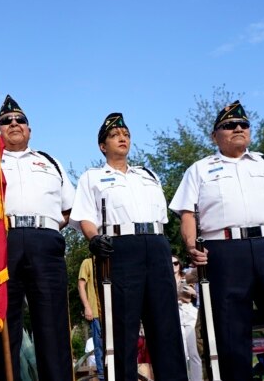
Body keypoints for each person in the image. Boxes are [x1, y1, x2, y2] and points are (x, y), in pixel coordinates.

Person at [169, 100, 264, 381]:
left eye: (243, 124)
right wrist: (191, 246)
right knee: (230, 333)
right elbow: (187, 213)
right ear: (215, 136)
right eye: (229, 125)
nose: (238, 128)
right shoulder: (199, 169)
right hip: (224, 251)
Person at [70, 112, 187, 381]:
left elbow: (162, 218)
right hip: (119, 249)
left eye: (125, 135)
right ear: (103, 146)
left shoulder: (148, 175)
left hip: (156, 246)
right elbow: (85, 216)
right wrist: (93, 238)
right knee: (122, 327)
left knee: (165, 326)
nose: (122, 138)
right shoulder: (93, 177)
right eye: (114, 135)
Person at [0, 95, 74, 381]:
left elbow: (68, 209)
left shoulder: (50, 162)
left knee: (52, 324)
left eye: (20, 120)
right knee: (2, 322)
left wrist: (44, 232)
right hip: (3, 243)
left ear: (29, 129)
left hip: (44, 242)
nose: (13, 123)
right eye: (6, 121)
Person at [172, 255, 202, 381]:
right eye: (170, 263)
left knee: (193, 351)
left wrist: (194, 293)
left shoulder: (186, 277)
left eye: (176, 263)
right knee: (181, 352)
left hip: (188, 311)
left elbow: (200, 273)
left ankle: (197, 379)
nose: (173, 266)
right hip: (175, 313)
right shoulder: (164, 280)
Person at [78, 256, 105, 380]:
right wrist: (87, 307)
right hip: (96, 313)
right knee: (99, 347)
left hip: (111, 313)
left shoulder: (109, 260)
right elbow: (81, 285)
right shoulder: (87, 262)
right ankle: (102, 377)